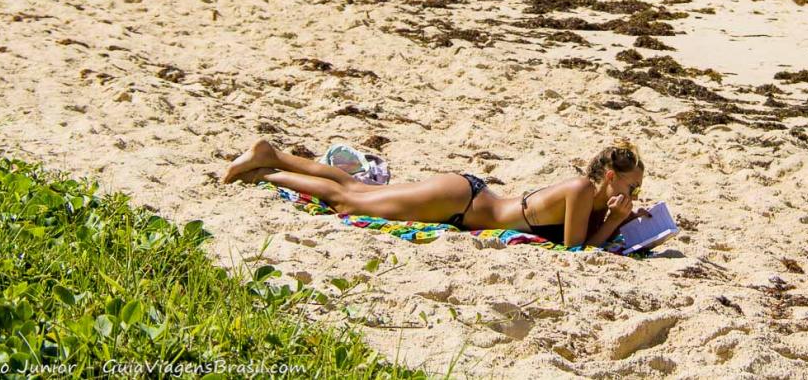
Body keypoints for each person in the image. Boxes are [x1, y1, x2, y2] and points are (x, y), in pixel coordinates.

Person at [222, 138, 648, 248]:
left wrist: (619, 221)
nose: (634, 192)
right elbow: (574, 250)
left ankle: (272, 155)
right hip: (460, 202)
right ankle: (268, 171)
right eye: (631, 185)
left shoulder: (592, 199)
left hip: (464, 199)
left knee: (357, 188)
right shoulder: (578, 189)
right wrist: (612, 222)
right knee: (348, 199)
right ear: (610, 175)